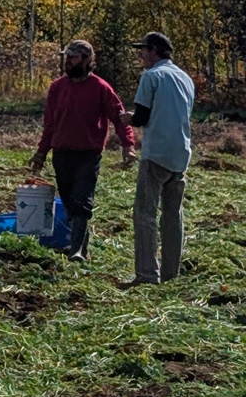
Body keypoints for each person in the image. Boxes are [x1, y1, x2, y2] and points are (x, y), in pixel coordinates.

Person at [29, 39, 136, 262]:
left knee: (82, 200)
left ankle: (76, 250)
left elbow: (119, 118)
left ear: (87, 60)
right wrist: (41, 153)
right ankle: (82, 249)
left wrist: (128, 146)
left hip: (89, 153)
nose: (68, 61)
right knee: (69, 202)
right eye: (67, 57)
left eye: (73, 57)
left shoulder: (101, 88)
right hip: (62, 153)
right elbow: (50, 124)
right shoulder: (57, 88)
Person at [119, 32, 195, 285]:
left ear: (154, 50)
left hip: (157, 153)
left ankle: (147, 274)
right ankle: (172, 273)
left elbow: (142, 117)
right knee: (173, 215)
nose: (141, 54)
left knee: (145, 214)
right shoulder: (185, 78)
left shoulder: (151, 76)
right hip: (181, 152)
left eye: (143, 49)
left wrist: (129, 118)